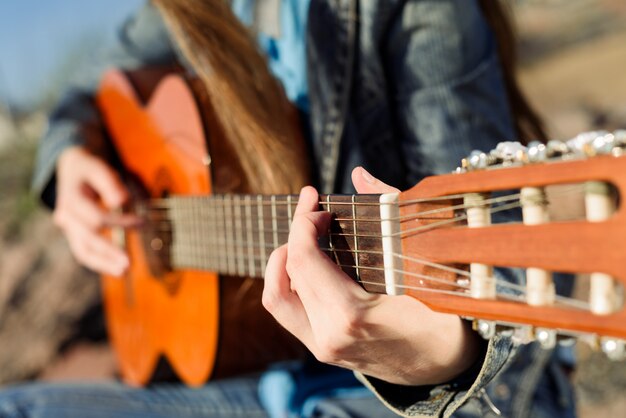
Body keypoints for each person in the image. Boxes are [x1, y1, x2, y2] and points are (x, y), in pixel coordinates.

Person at [1, 1, 574, 417]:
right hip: (256, 378)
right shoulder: (185, 12)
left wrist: (441, 359)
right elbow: (84, 91)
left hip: (393, 398)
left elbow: (498, 268)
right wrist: (69, 157)